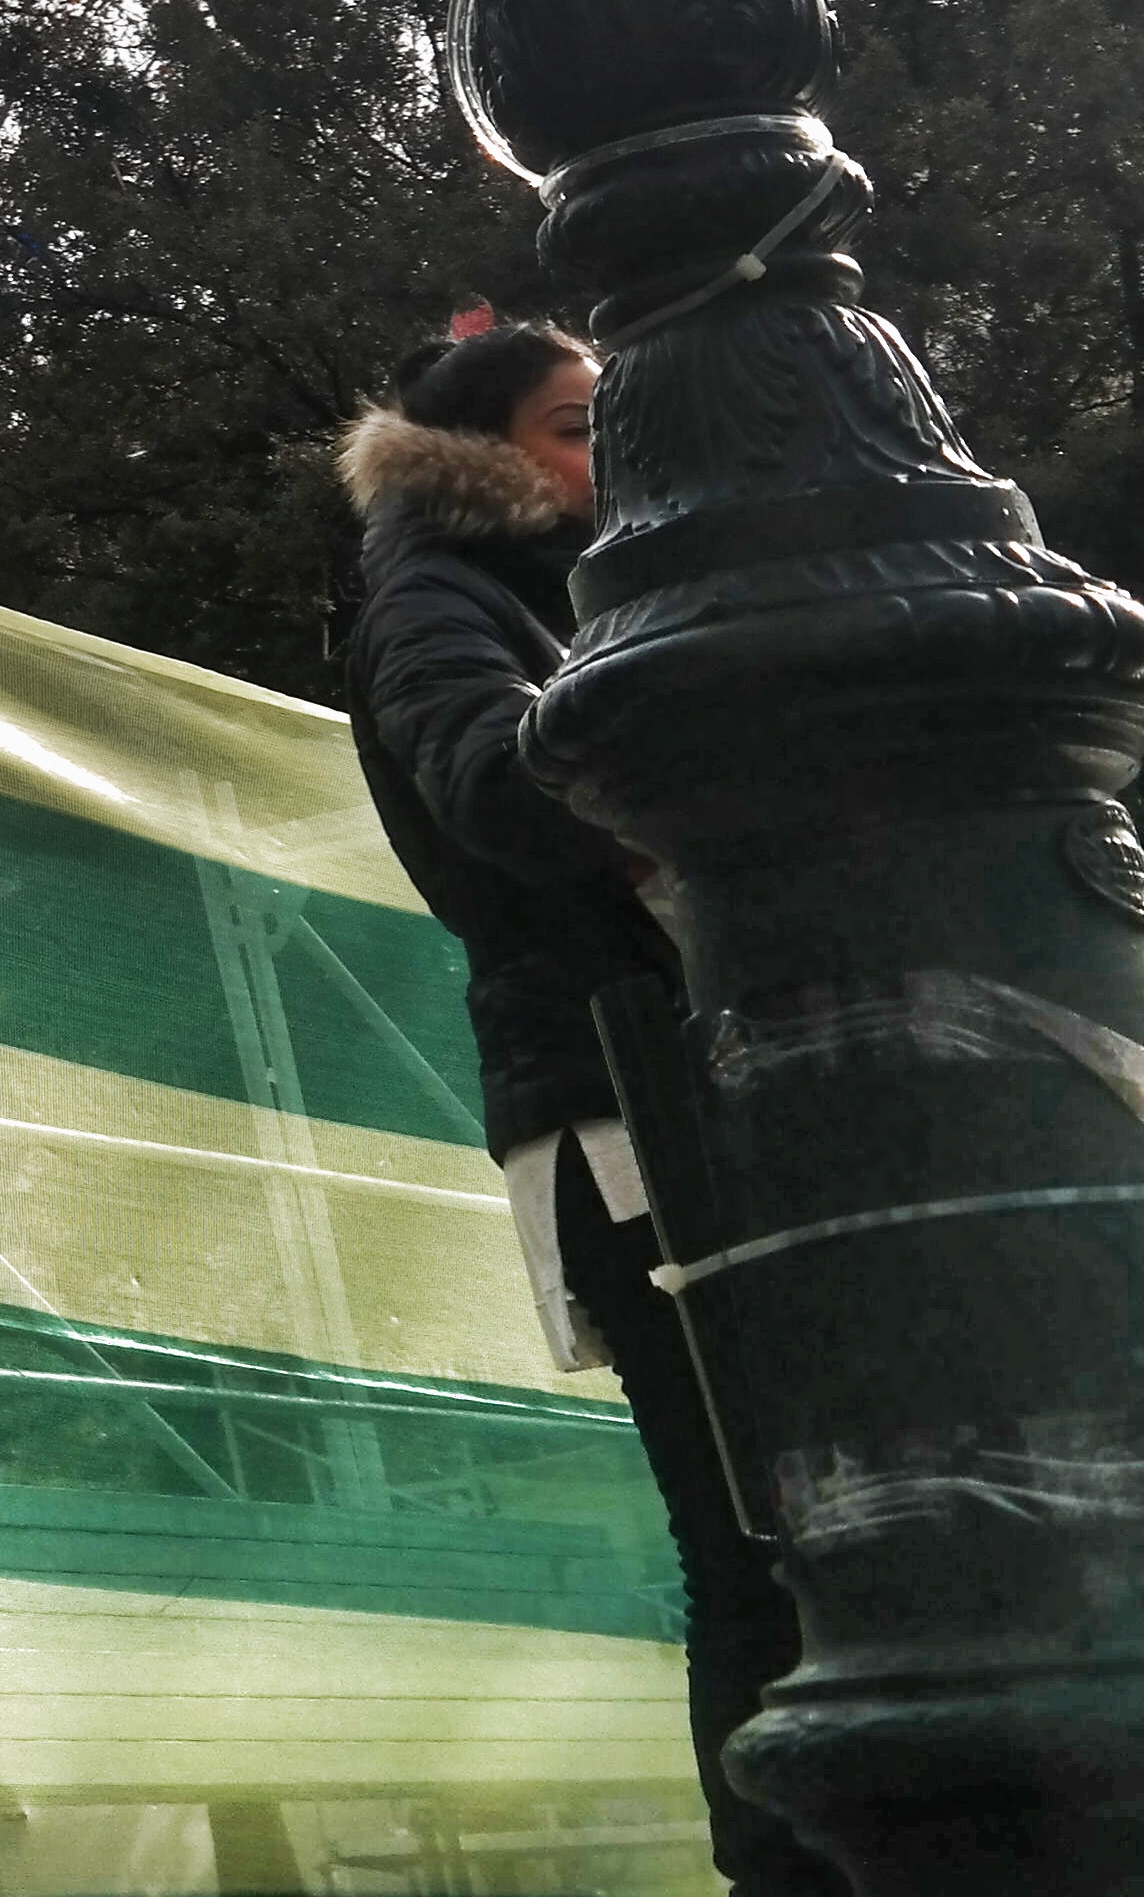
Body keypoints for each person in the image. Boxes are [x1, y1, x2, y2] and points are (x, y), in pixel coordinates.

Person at [344, 320, 829, 1896]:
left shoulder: (556, 592)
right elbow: (490, 779)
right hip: (624, 1111)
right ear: (487, 456)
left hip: (671, 1087)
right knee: (753, 1547)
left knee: (790, 1536)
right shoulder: (434, 596)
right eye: (572, 427)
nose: (605, 456)